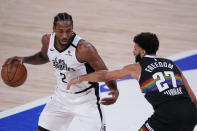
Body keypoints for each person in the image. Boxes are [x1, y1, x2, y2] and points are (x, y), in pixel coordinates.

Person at [5, 12, 119, 131]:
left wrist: (114, 89)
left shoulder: (84, 48)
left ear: (72, 29)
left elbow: (104, 73)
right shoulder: (47, 40)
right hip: (61, 98)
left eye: (68, 31)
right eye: (60, 31)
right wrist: (24, 59)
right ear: (53, 29)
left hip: (86, 100)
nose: (65, 35)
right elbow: (44, 56)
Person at [67, 32, 197, 131]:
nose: (133, 51)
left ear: (143, 52)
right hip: (191, 114)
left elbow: (105, 76)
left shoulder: (137, 68)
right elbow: (192, 96)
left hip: (167, 115)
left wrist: (80, 78)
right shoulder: (172, 64)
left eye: (135, 49)